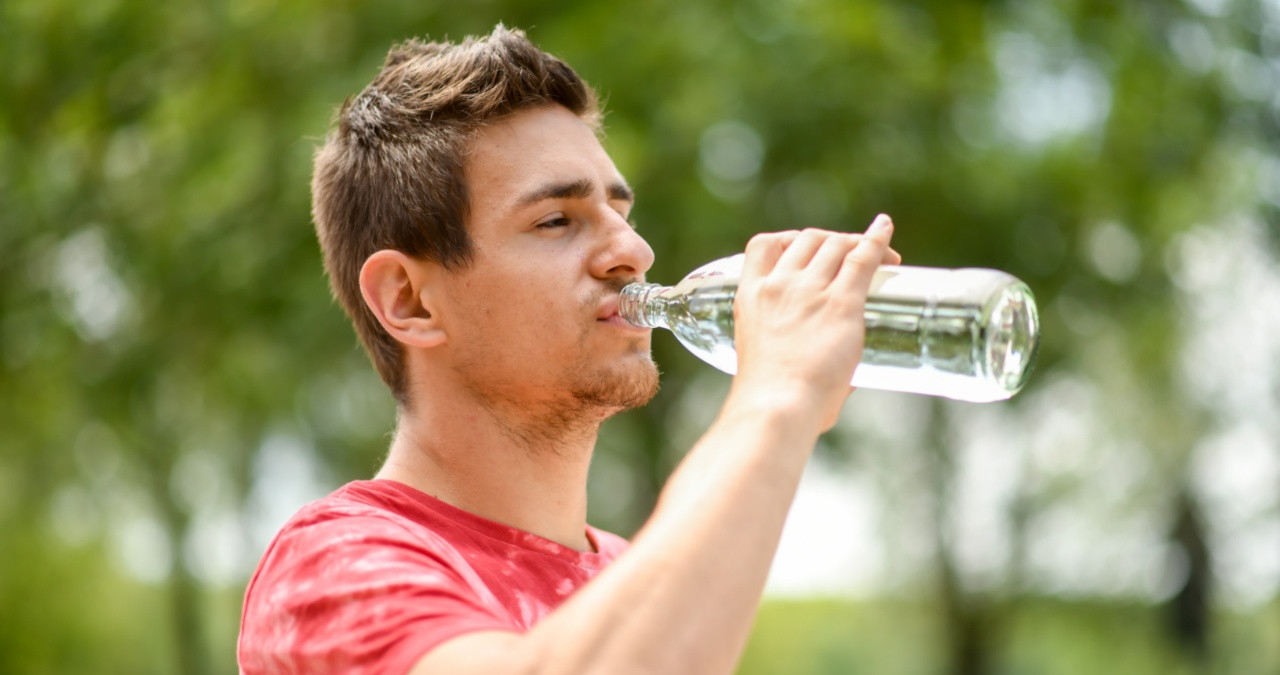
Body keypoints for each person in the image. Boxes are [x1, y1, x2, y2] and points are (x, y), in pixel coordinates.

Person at [238, 24, 900, 675]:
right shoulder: (332, 566)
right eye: (556, 220)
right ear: (409, 299)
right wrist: (776, 398)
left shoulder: (626, 574)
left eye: (621, 212)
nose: (633, 253)